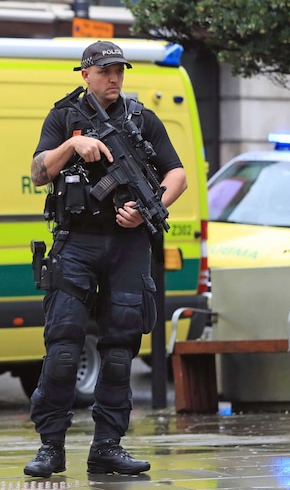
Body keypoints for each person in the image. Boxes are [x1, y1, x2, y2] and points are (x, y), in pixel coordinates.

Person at [24, 41, 187, 477]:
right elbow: (39, 171)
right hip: (76, 243)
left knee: (118, 353)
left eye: (119, 71)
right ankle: (50, 449)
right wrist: (74, 147)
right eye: (105, 70)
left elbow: (178, 173)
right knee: (62, 350)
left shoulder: (142, 119)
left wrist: (152, 205)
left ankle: (108, 447)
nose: (114, 78)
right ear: (86, 74)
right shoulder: (64, 117)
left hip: (127, 246)